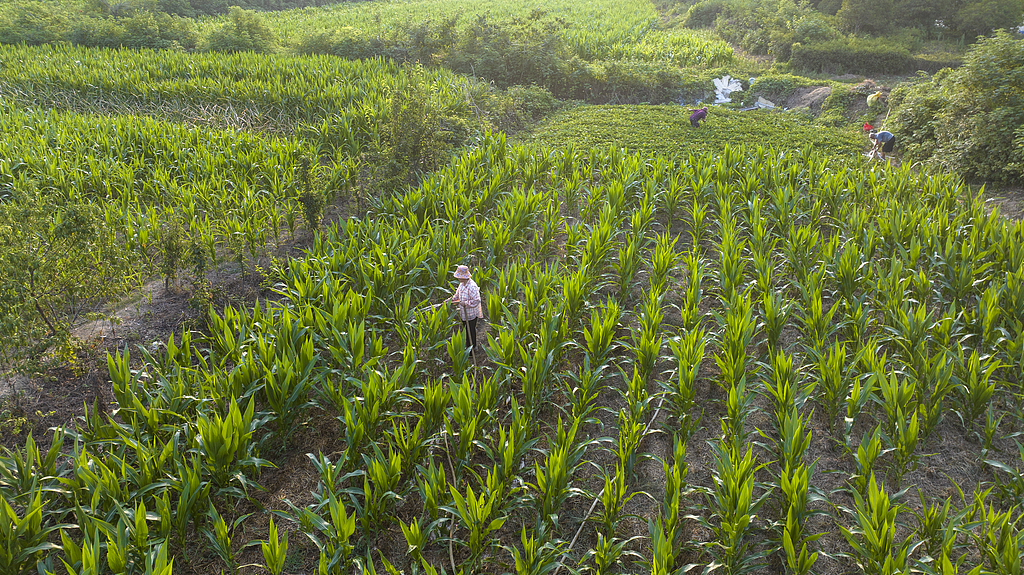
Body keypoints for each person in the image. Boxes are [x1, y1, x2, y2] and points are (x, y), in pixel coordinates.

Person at [449, 265, 481, 350]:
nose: (458, 279)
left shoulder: (472, 286)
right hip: (463, 313)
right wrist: (450, 300)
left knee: (470, 331)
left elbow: (477, 300)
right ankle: (468, 346)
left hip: (471, 314)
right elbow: (457, 295)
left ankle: (473, 348)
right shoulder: (462, 284)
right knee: (466, 330)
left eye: (459, 277)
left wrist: (465, 303)